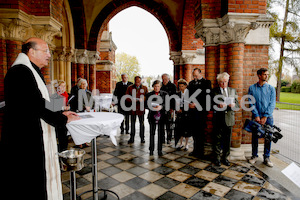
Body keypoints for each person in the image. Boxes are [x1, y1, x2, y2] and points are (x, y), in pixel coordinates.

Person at [0, 37, 80, 200]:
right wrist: (63, 120)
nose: (49, 55)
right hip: (25, 141)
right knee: (30, 184)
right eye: (46, 51)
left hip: (30, 136)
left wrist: (61, 114)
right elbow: (36, 105)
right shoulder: (20, 72)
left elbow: (40, 102)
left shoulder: (31, 71)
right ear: (31, 51)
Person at [248, 68, 276, 167]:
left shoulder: (271, 89)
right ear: (259, 75)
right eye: (264, 74)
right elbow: (250, 102)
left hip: (268, 118)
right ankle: (254, 156)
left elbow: (272, 104)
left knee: (268, 137)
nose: (266, 76)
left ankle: (266, 157)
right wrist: (256, 115)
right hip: (256, 117)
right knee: (255, 136)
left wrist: (265, 116)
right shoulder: (252, 88)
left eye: (267, 74)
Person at [212, 72, 239, 166]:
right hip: (218, 119)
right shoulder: (214, 91)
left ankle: (225, 158)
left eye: (226, 82)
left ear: (228, 81)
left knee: (227, 140)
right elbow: (210, 105)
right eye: (222, 82)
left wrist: (234, 105)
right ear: (218, 82)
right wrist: (217, 105)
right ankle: (217, 158)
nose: (224, 84)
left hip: (229, 119)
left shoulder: (232, 91)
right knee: (217, 139)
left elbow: (237, 105)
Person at [187, 68, 212, 158]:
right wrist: (189, 104)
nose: (195, 77)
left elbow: (208, 97)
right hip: (193, 112)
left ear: (201, 73)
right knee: (194, 132)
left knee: (201, 132)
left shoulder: (206, 83)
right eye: (194, 75)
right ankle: (195, 150)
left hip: (201, 112)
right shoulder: (191, 83)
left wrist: (198, 104)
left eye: (196, 75)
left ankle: (200, 152)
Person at [146, 80, 168, 156]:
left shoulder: (165, 94)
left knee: (160, 134)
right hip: (152, 116)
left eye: (158, 86)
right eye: (155, 86)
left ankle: (159, 150)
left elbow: (167, 105)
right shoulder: (149, 94)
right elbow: (146, 105)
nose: (156, 88)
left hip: (162, 116)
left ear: (160, 86)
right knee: (152, 133)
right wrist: (152, 107)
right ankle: (151, 150)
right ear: (153, 87)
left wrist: (161, 106)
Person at [126, 76, 148, 144]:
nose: (137, 83)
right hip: (133, 108)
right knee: (132, 124)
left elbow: (147, 97)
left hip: (141, 108)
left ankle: (142, 138)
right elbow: (126, 96)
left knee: (141, 124)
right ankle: (131, 138)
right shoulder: (130, 87)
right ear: (134, 81)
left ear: (140, 81)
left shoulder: (144, 88)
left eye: (139, 82)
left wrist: (143, 98)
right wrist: (131, 99)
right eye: (136, 82)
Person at [51, 80, 71, 151]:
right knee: (61, 135)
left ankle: (64, 149)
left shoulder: (66, 95)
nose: (63, 87)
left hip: (65, 116)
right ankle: (61, 151)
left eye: (64, 86)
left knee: (64, 135)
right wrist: (63, 108)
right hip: (58, 117)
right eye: (62, 86)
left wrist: (68, 107)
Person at [174, 79, 191, 151]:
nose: (180, 88)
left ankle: (186, 144)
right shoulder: (178, 93)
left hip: (187, 113)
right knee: (180, 129)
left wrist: (183, 109)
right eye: (179, 86)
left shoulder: (189, 93)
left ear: (186, 86)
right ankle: (180, 144)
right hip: (180, 114)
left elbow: (189, 104)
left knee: (187, 129)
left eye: (182, 86)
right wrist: (177, 109)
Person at [161, 73, 177, 144]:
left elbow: (174, 98)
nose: (164, 80)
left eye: (165, 79)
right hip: (162, 108)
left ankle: (169, 138)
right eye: (163, 79)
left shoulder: (173, 86)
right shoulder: (161, 86)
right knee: (161, 123)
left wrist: (172, 108)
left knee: (169, 124)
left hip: (169, 107)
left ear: (168, 79)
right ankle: (162, 138)